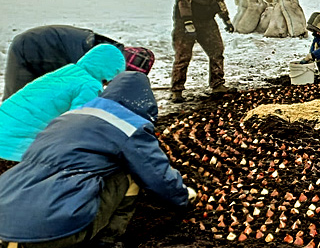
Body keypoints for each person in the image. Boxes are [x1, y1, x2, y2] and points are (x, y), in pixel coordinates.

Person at [0, 71, 195, 248]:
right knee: (129, 173)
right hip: (53, 231)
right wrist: (182, 196)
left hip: (5, 218)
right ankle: (107, 240)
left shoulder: (67, 117)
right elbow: (156, 176)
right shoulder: (129, 125)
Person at [0, 44, 126, 162]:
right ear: (111, 72)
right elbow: (79, 125)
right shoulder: (89, 86)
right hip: (13, 152)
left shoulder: (64, 73)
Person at [3, 25, 155, 100]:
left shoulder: (109, 52)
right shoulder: (92, 60)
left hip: (51, 50)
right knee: (17, 100)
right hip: (28, 49)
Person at [171, 0, 236, 103]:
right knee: (183, 55)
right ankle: (177, 90)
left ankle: (217, 84)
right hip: (186, 19)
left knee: (217, 50)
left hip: (207, 19)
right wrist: (187, 22)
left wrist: (226, 19)